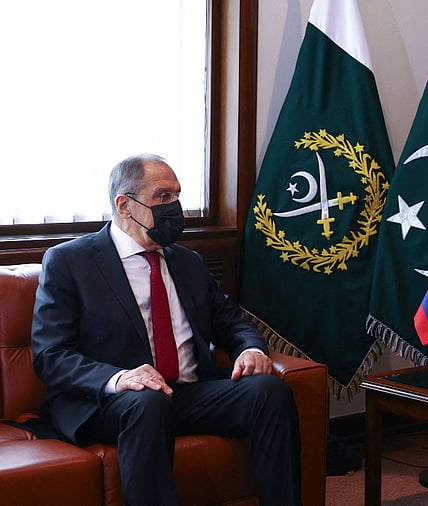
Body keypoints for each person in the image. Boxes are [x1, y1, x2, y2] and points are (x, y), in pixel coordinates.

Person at [31, 154, 301, 506]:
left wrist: (251, 350)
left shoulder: (187, 261)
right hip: (113, 401)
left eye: (177, 196)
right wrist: (119, 378)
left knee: (269, 391)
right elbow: (51, 355)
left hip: (188, 392)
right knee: (148, 403)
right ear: (124, 205)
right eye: (162, 196)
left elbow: (232, 322)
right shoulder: (70, 261)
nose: (175, 207)